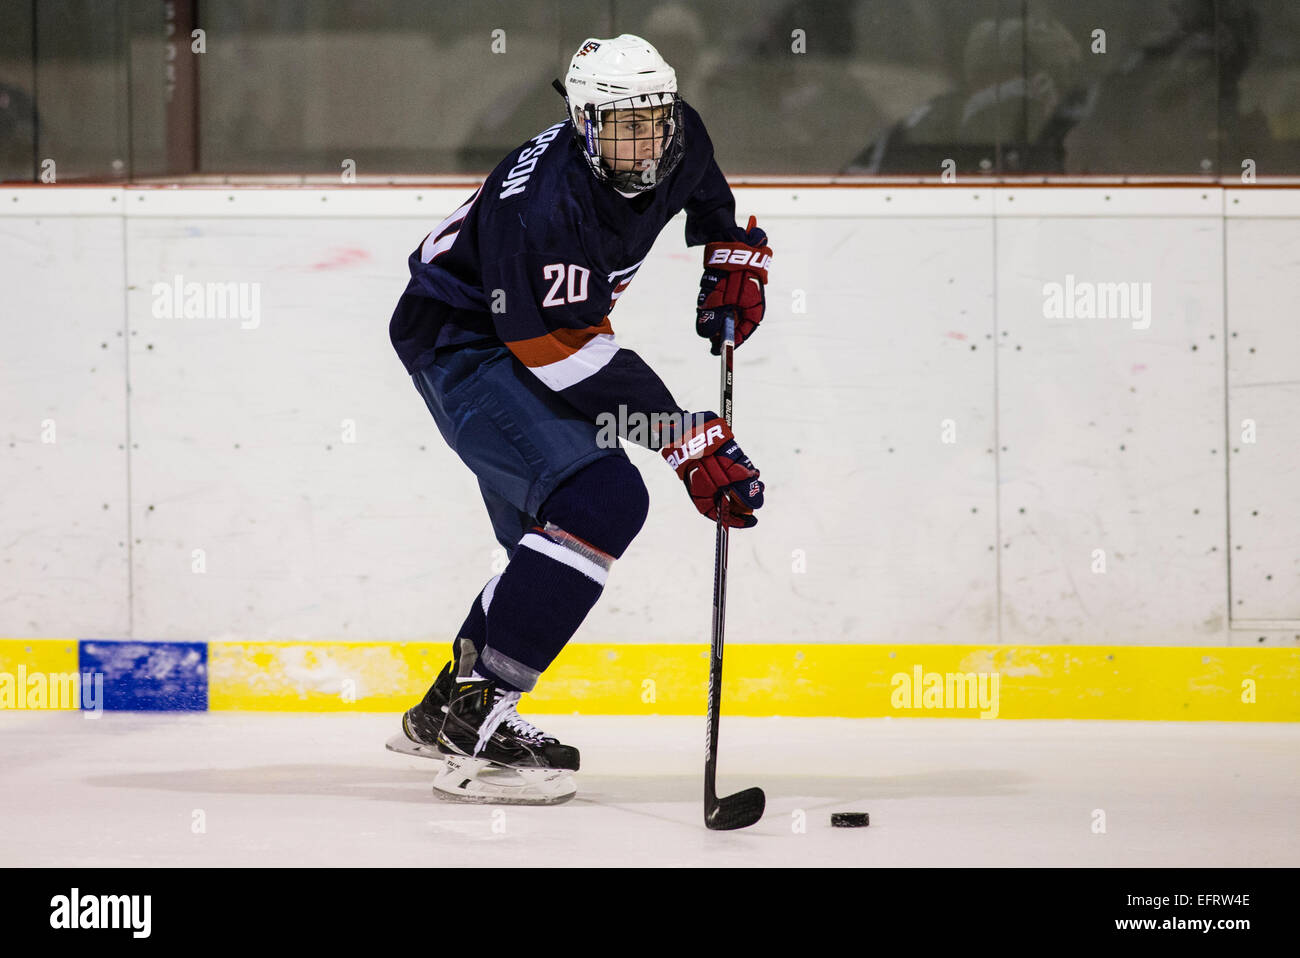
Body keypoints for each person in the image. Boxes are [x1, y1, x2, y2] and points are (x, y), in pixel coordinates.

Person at [386, 33, 771, 805]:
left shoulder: (676, 131)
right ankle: (474, 725)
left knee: (550, 538)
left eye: (653, 120)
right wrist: (680, 437)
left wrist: (730, 255)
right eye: (623, 126)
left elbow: (707, 198)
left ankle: (449, 712)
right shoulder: (545, 205)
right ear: (582, 122)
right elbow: (556, 349)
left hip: (522, 336)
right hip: (467, 342)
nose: (645, 142)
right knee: (602, 501)